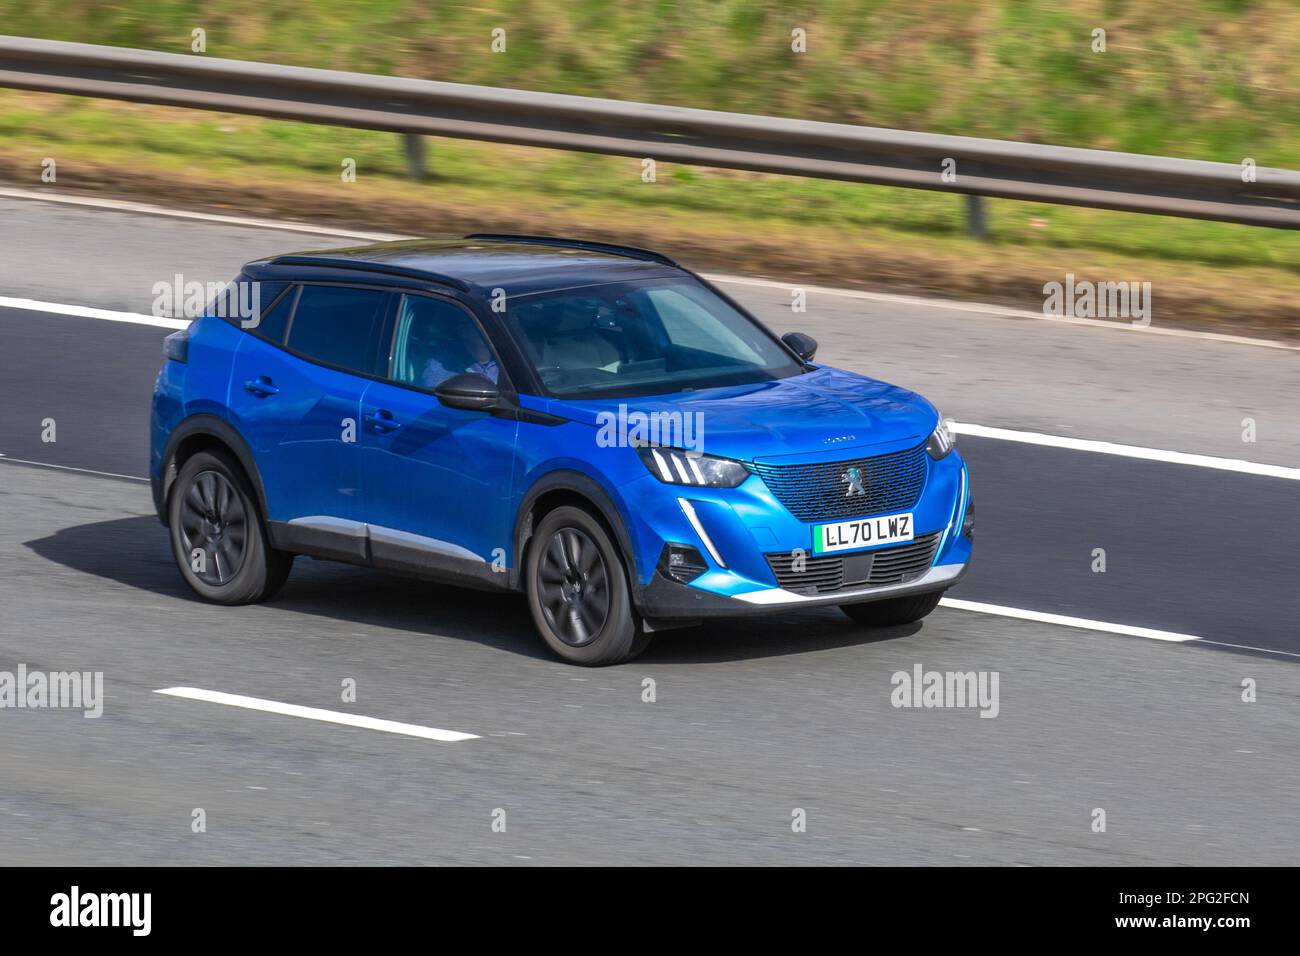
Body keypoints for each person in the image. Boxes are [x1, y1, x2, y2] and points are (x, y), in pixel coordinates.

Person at [420, 318, 499, 388]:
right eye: (481, 325)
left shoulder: (506, 355)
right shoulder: (444, 361)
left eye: (493, 326)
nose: (490, 330)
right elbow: (431, 386)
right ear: (463, 331)